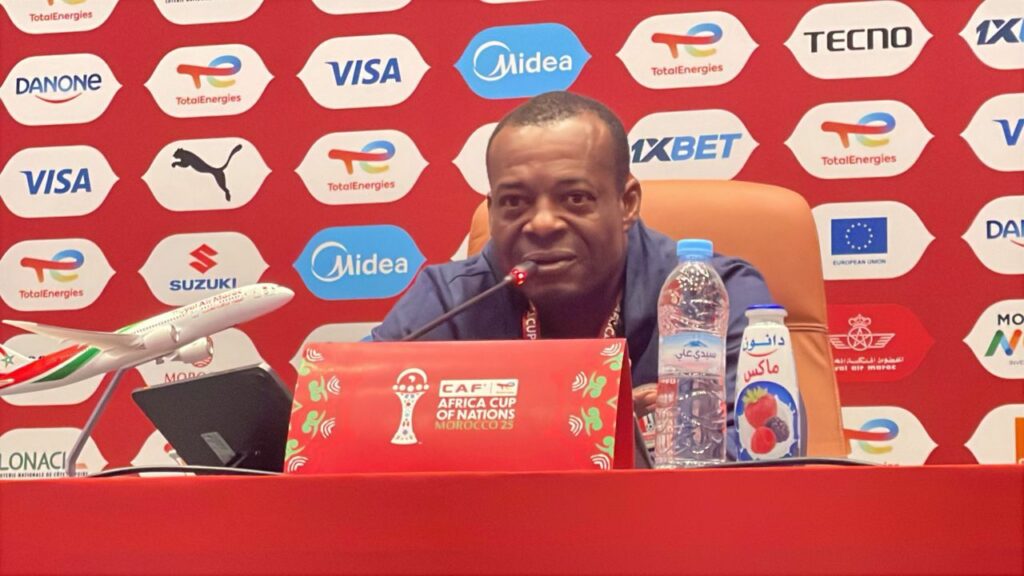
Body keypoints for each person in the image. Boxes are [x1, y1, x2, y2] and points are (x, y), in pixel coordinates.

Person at [372, 91, 772, 460]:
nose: (543, 223)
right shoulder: (450, 301)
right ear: (492, 211)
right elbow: (354, 420)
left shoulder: (713, 295)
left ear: (627, 203)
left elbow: (757, 454)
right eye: (514, 202)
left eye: (575, 198)